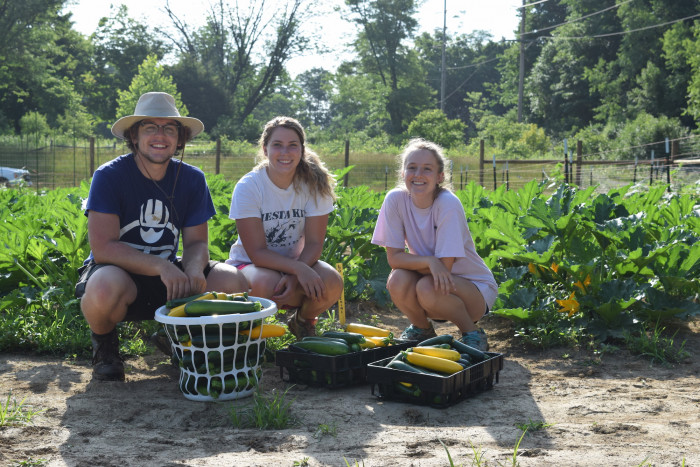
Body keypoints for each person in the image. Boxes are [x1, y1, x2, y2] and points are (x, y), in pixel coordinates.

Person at [76, 92, 248, 381]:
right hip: (119, 275)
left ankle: (184, 339)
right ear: (134, 135)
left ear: (180, 139)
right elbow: (104, 248)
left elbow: (196, 243)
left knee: (234, 282)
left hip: (168, 280)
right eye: (150, 127)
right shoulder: (109, 176)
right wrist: (163, 267)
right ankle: (105, 345)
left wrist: (192, 269)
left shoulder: (192, 179)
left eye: (169, 128)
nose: (160, 135)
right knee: (103, 287)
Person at [371, 138, 497, 351]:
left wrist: (431, 265)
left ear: (440, 177)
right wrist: (430, 262)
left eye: (427, 169)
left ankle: (472, 332)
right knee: (397, 280)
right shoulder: (395, 200)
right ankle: (422, 329)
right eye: (412, 168)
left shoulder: (447, 204)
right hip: (430, 281)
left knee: (426, 286)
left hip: (474, 289)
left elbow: (444, 269)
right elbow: (394, 259)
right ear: (403, 173)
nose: (418, 174)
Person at [226, 116, 343, 339]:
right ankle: (246, 334)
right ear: (265, 149)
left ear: (302, 150)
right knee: (266, 283)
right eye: (277, 145)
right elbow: (257, 253)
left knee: (332, 281)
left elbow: (314, 243)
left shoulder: (313, 185)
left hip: (297, 262)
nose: (285, 152)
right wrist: (298, 271)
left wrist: (295, 272)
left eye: (292, 145)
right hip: (250, 264)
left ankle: (302, 322)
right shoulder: (250, 186)